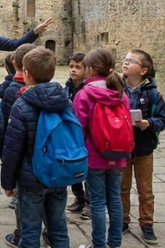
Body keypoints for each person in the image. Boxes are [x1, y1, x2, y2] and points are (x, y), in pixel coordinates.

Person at [1, 48, 71, 248]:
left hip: (31, 178)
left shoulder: (21, 105)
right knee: (58, 229)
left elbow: (12, 148)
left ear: (27, 74)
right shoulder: (65, 101)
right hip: (59, 174)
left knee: (30, 233)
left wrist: (8, 182)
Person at [73, 48, 130, 248]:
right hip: (119, 154)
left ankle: (98, 244)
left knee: (97, 202)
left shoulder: (84, 94)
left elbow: (79, 128)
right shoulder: (120, 93)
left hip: (95, 155)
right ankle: (114, 243)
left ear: (89, 69)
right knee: (114, 199)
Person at [120, 49, 165, 245]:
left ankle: (146, 223)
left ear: (143, 70)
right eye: (125, 59)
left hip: (143, 148)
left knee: (145, 189)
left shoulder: (153, 94)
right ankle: (122, 220)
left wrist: (149, 123)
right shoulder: (116, 89)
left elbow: (162, 121)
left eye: (131, 61)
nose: (125, 62)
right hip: (121, 147)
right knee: (121, 188)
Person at [64, 53, 89, 216]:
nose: (73, 70)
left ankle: (89, 202)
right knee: (73, 167)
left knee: (88, 170)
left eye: (78, 67)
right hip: (70, 132)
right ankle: (79, 198)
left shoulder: (87, 89)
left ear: (87, 70)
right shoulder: (67, 87)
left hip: (84, 133)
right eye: (71, 66)